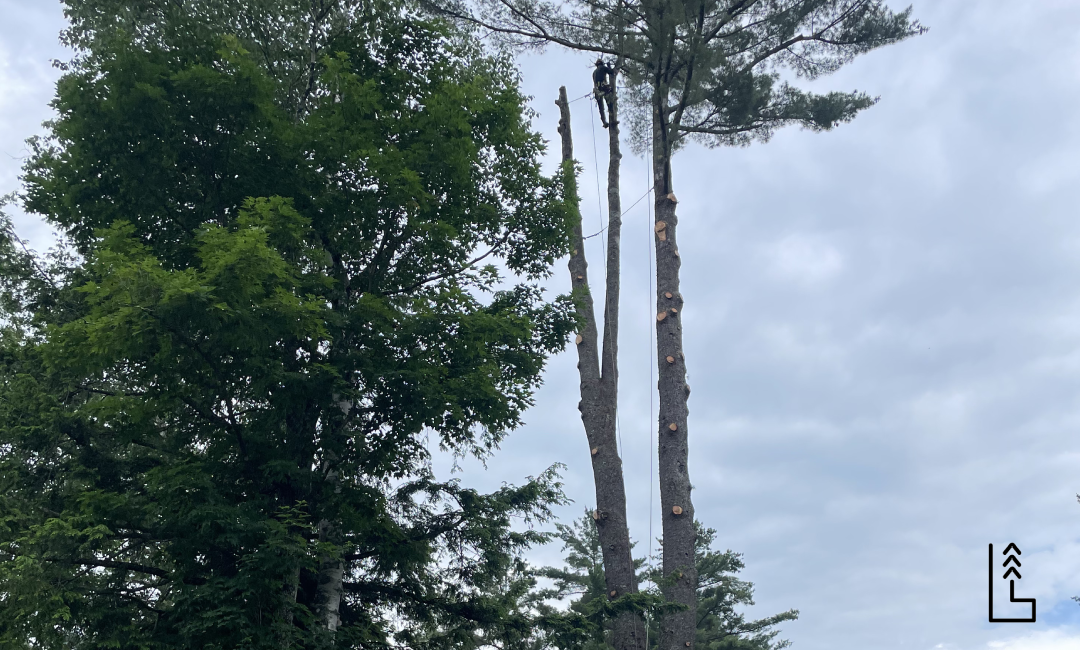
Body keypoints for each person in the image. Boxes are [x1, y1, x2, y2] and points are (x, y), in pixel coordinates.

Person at [592, 58, 616, 128]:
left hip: (597, 90)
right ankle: (613, 119)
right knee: (610, 103)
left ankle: (604, 122)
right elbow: (611, 72)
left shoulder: (594, 72)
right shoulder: (602, 68)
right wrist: (609, 66)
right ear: (602, 63)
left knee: (601, 108)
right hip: (603, 88)